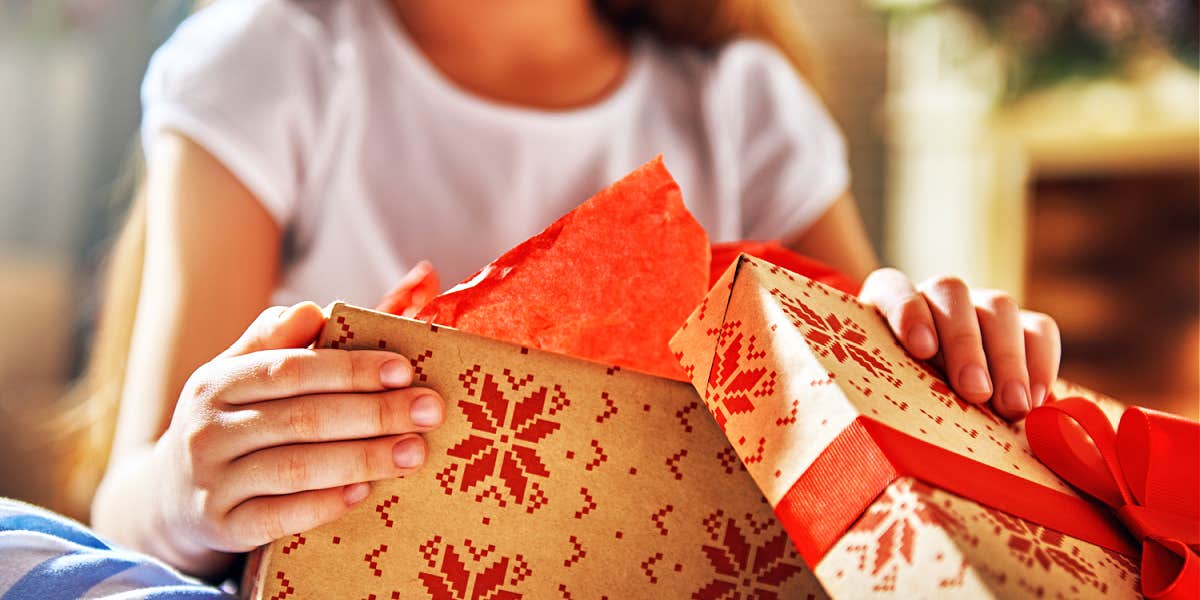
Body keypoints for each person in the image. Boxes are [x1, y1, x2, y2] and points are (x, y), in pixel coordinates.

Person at [67, 0, 1060, 584]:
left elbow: (865, 448)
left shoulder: (740, 103)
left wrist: (928, 357)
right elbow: (123, 517)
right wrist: (189, 493)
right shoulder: (273, 61)